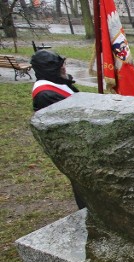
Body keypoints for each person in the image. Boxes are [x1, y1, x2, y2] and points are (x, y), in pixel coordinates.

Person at [30, 49, 85, 209]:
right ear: (49, 70)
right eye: (60, 66)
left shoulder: (56, 83)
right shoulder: (45, 94)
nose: (64, 68)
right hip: (73, 146)